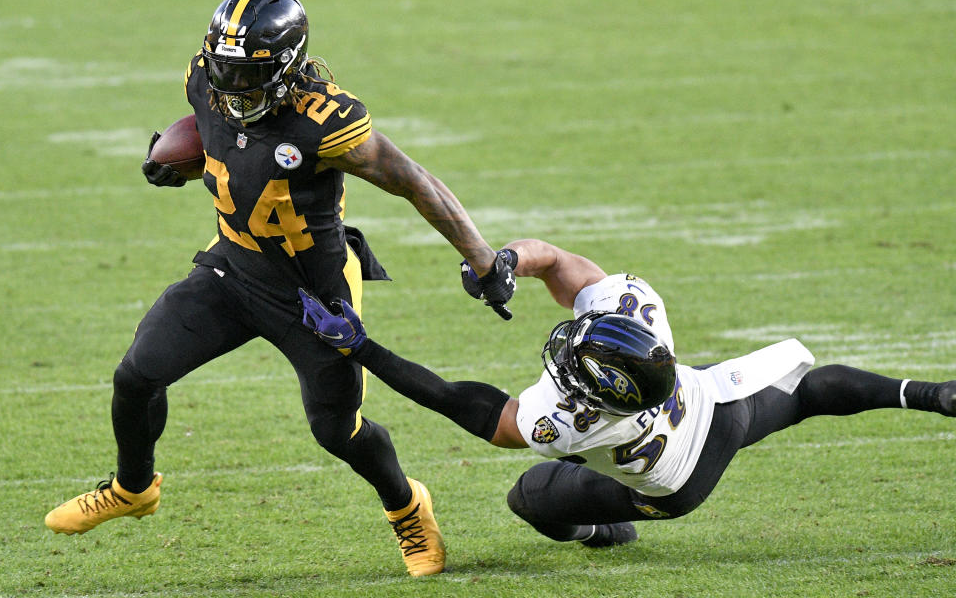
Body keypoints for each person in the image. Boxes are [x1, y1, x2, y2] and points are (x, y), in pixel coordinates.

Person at [43, 0, 516, 578]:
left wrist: (481, 259)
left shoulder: (326, 119)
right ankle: (134, 488)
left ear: (288, 65)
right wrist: (183, 162)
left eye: (249, 77)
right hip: (232, 269)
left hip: (312, 296)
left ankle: (406, 506)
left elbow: (413, 181)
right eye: (226, 73)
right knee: (136, 375)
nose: (234, 89)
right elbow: (217, 131)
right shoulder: (208, 78)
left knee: (337, 430)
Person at [299, 238, 956, 548]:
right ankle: (932, 395)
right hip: (715, 407)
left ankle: (603, 531)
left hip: (673, 483)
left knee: (530, 497)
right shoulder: (637, 313)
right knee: (807, 391)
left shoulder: (571, 421)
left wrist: (363, 349)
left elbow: (459, 402)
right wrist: (507, 264)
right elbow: (556, 262)